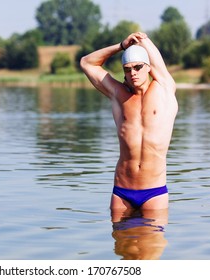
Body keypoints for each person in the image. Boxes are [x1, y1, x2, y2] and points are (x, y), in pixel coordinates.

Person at [80, 32, 178, 212]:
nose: (133, 73)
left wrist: (140, 40)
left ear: (149, 67)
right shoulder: (118, 94)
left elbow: (146, 45)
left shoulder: (164, 89)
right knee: (120, 240)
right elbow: (86, 62)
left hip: (154, 192)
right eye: (127, 69)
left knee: (150, 240)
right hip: (122, 192)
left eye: (138, 67)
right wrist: (121, 46)